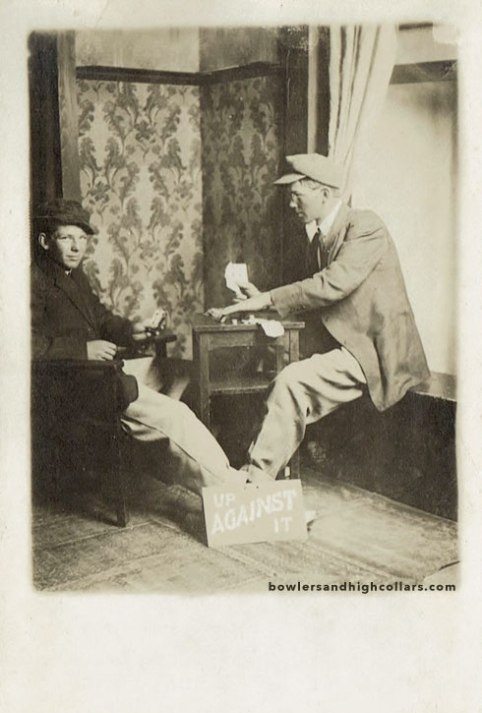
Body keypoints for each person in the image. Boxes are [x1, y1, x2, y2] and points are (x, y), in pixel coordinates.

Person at [208, 153, 430, 484]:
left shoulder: (366, 226)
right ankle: (253, 465)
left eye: (297, 195)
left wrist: (267, 299)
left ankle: (255, 482)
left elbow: (330, 285)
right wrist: (260, 301)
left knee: (291, 382)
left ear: (324, 194)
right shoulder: (319, 240)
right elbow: (312, 297)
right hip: (348, 345)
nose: (291, 204)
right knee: (272, 368)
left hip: (376, 352)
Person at [31, 198, 245, 496]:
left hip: (101, 371)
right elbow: (22, 346)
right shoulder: (31, 282)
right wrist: (83, 350)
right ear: (45, 241)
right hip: (75, 383)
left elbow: (101, 319)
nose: (77, 247)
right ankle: (231, 490)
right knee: (176, 415)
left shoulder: (74, 275)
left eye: (82, 238)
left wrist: (132, 330)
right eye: (66, 238)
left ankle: (180, 460)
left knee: (185, 374)